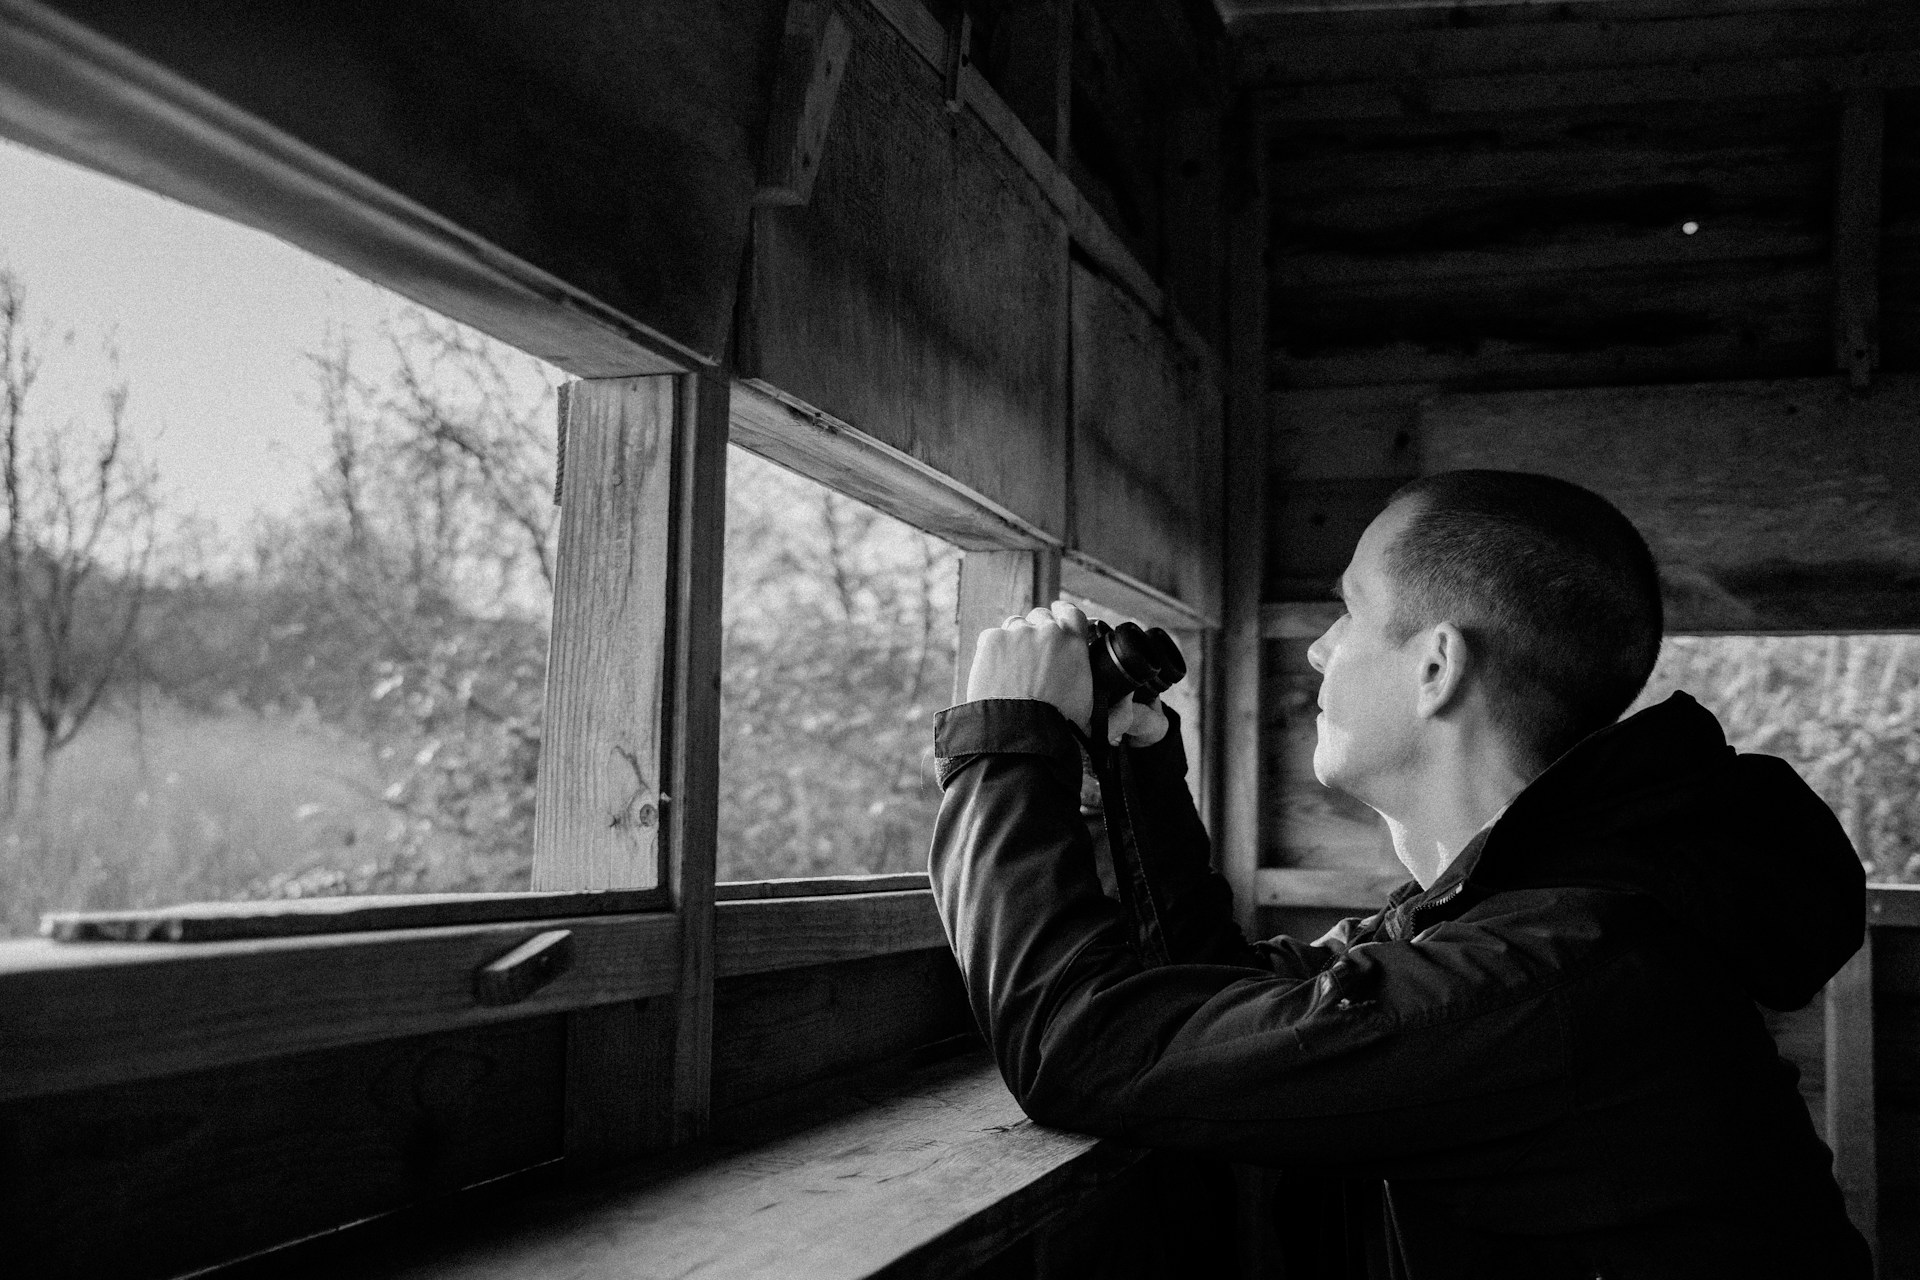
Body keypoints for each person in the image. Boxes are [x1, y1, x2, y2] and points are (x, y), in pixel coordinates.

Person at [928, 470, 1869, 1279]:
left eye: (1350, 612)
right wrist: (1139, 770)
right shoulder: (1515, 922)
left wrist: (1007, 740)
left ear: (1436, 668)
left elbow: (1078, 1053)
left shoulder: (1549, 975)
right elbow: (1218, 1002)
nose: (1318, 650)